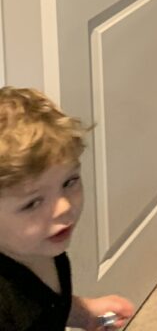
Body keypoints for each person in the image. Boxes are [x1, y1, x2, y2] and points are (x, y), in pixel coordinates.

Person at [0, 86, 135, 330]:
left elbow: (48, 303)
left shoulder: (43, 243)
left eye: (69, 182)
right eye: (32, 203)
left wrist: (85, 313)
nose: (63, 207)